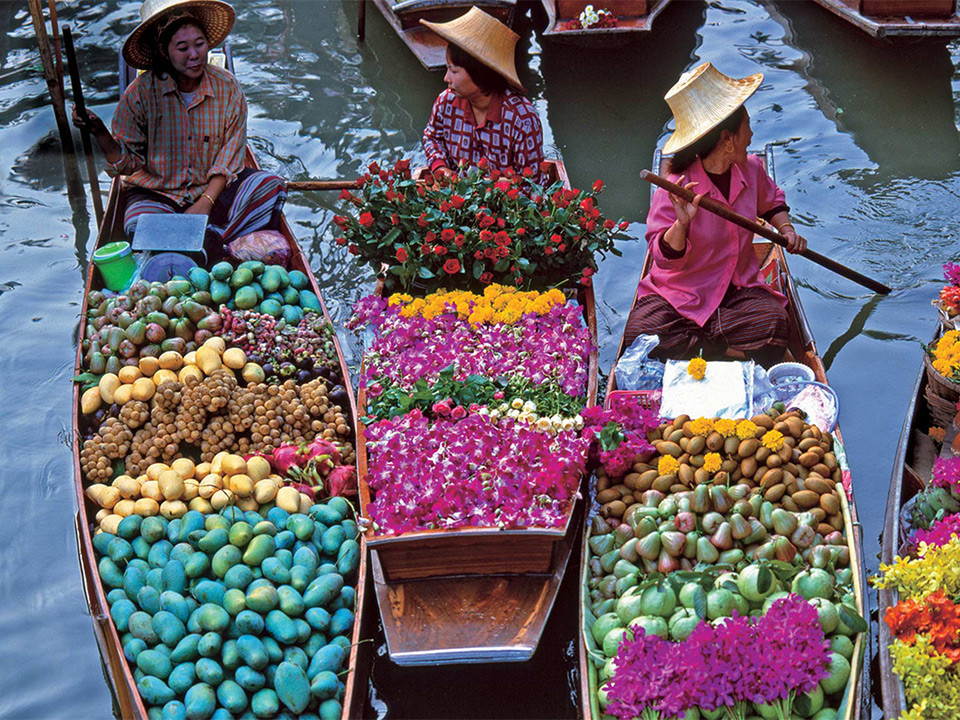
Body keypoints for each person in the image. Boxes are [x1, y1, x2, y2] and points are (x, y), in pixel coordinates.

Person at [623, 62, 807, 366]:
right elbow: (662, 256)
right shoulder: (676, 186)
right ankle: (724, 352)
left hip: (736, 293)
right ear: (727, 139)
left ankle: (697, 349)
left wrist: (786, 231)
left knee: (775, 324)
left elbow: (772, 202)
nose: (751, 134)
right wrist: (682, 224)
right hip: (681, 296)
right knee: (641, 332)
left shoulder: (752, 169)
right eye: (746, 126)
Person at [71, 0, 286, 255]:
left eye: (200, 44)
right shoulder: (140, 93)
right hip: (158, 196)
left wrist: (205, 202)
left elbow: (230, 156)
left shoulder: (227, 87)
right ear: (164, 51)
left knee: (270, 186)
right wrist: (99, 132)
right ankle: (214, 242)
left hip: (213, 192)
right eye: (182, 48)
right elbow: (127, 165)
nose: (194, 55)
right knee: (136, 223)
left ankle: (206, 240)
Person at [420, 7, 547, 183]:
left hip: (505, 205)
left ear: (479, 74)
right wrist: (440, 167)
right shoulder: (446, 101)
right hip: (457, 193)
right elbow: (432, 137)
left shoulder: (522, 118)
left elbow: (533, 183)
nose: (446, 78)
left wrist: (492, 189)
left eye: (453, 71)